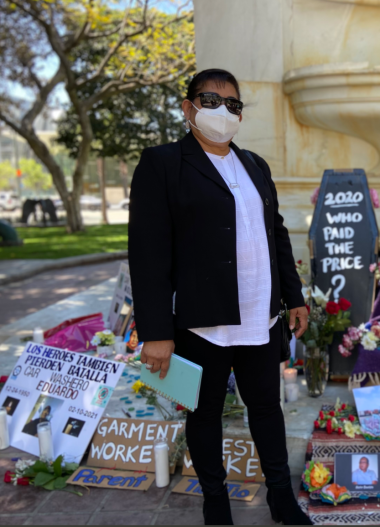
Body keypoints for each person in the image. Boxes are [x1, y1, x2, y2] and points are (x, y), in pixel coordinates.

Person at [128, 69, 310, 526]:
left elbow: (277, 235)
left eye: (233, 104)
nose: (222, 111)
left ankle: (282, 498)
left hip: (260, 318)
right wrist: (155, 332)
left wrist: (295, 297)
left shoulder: (255, 165)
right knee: (205, 413)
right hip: (201, 323)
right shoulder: (163, 163)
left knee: (266, 409)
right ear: (188, 108)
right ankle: (216, 502)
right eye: (211, 100)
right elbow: (147, 253)